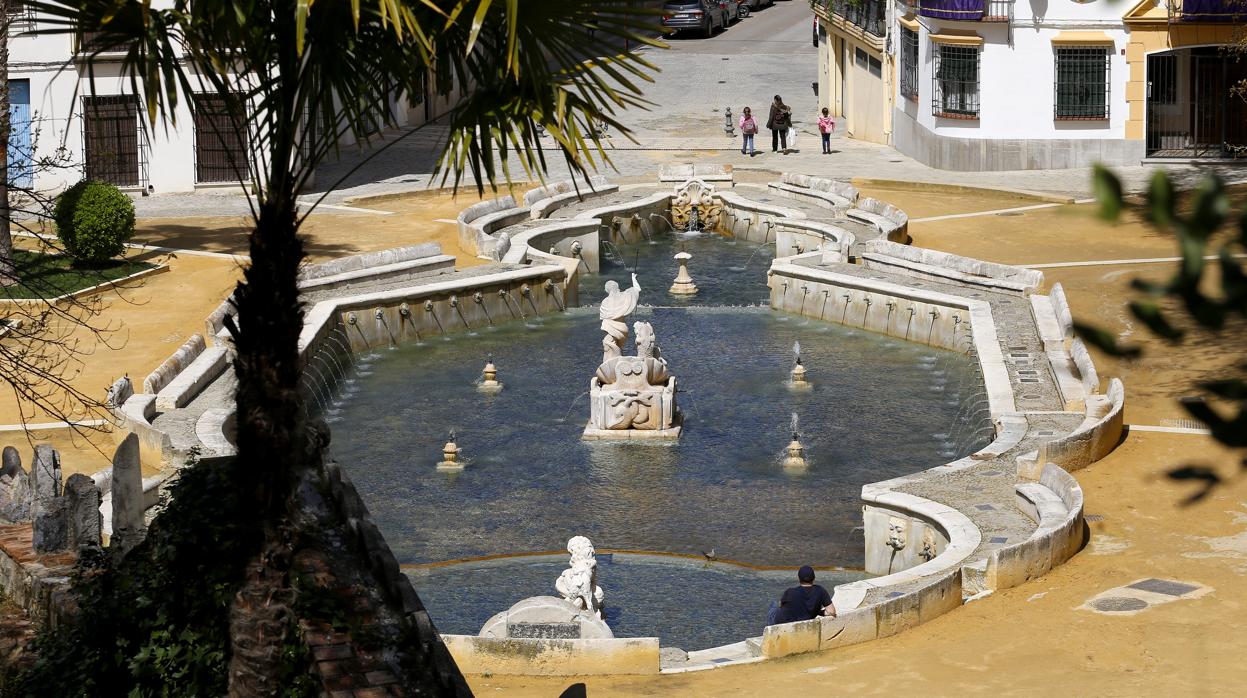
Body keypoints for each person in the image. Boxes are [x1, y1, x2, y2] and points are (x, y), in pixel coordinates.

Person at [769, 565, 835, 625]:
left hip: (782, 622)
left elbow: (781, 605)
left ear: (799, 579)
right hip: (801, 625)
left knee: (773, 604)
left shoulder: (790, 592)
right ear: (814, 578)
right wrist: (818, 612)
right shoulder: (820, 591)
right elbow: (831, 612)